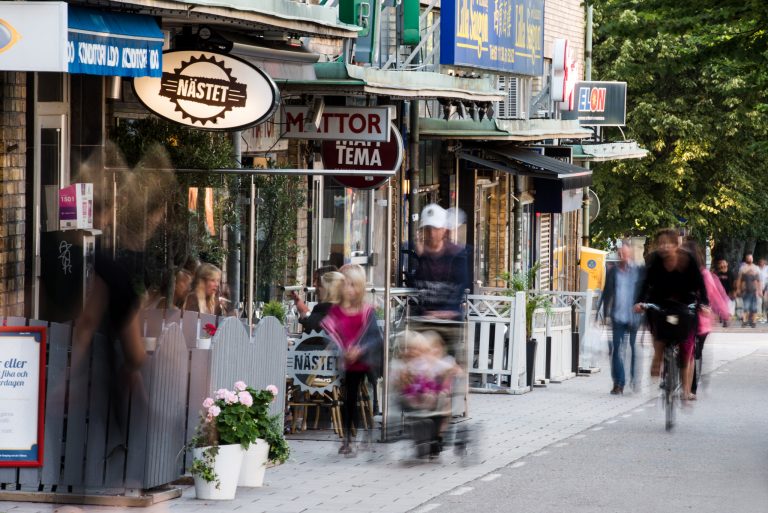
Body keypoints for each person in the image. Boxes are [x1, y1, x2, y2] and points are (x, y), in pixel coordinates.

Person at [635, 229, 709, 401]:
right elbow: (646, 284)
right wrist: (639, 302)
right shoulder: (654, 261)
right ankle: (658, 356)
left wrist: (704, 303)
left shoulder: (688, 260)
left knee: (686, 347)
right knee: (656, 325)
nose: (664, 246)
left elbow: (700, 284)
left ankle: (685, 390)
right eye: (661, 243)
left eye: (668, 243)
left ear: (676, 245)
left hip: (684, 304)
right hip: (661, 303)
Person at [321, 264, 383, 456]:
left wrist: (360, 349)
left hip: (367, 362)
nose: (349, 289)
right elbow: (330, 336)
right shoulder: (335, 313)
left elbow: (375, 337)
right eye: (346, 284)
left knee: (367, 396)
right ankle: (348, 438)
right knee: (349, 400)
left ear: (360, 288)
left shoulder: (366, 311)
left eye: (354, 285)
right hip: (348, 364)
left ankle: (369, 432)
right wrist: (342, 351)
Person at [407, 203, 469, 361]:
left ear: (443, 230)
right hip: (424, 321)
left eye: (434, 228)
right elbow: (418, 286)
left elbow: (459, 287)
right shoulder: (419, 254)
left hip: (449, 323)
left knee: (445, 368)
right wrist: (421, 258)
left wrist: (443, 312)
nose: (430, 233)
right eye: (426, 229)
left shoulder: (457, 255)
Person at [684, 242, 729, 397]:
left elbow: (715, 295)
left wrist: (724, 312)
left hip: (701, 320)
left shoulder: (704, 275)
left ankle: (692, 387)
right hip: (684, 316)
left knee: (695, 352)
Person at [598, 242, 644, 395]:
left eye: (625, 253)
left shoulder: (638, 271)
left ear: (630, 254)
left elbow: (645, 291)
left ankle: (633, 378)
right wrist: (604, 314)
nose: (623, 256)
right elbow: (606, 293)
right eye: (620, 254)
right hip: (617, 317)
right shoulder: (613, 272)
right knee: (616, 350)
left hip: (633, 318)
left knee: (632, 349)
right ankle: (619, 383)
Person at [290, 265, 339, 333]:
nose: (314, 284)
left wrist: (305, 312)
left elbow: (313, 330)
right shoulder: (341, 308)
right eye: (314, 280)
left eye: (318, 280)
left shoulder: (325, 307)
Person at [735, 253, 761, 327]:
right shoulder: (743, 268)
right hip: (745, 290)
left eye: (751, 258)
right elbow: (739, 280)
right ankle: (745, 321)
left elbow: (759, 280)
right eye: (748, 258)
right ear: (746, 259)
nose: (749, 259)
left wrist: (760, 290)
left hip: (754, 290)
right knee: (746, 307)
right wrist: (738, 289)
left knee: (754, 307)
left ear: (752, 259)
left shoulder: (756, 268)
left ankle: (753, 322)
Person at [713, 259, 734, 326]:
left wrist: (734, 292)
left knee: (728, 309)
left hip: (728, 294)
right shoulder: (716, 273)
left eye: (724, 263)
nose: (722, 264)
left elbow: (734, 283)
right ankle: (722, 319)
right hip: (719, 294)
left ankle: (726, 321)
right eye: (721, 263)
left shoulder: (731, 273)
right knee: (719, 309)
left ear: (727, 264)